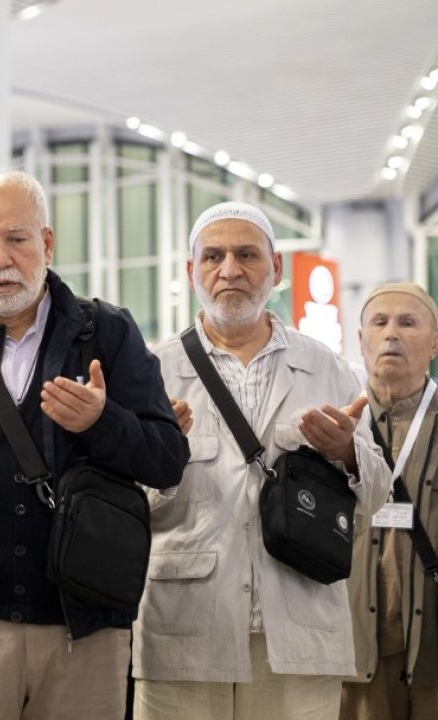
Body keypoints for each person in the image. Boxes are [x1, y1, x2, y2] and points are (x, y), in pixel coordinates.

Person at [0, 170, 188, 720]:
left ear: (47, 243)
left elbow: (167, 460)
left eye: (17, 238)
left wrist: (102, 421)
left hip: (85, 628)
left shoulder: (106, 334)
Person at [134, 201, 391, 720]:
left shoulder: (325, 368)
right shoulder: (151, 371)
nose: (230, 269)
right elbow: (123, 501)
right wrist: (158, 458)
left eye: (247, 254)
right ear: (191, 272)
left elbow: (380, 493)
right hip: (183, 633)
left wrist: (346, 453)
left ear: (275, 269)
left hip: (298, 631)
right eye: (213, 256)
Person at [341, 283, 438, 720]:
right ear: (360, 341)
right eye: (379, 323)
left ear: (434, 342)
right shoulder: (337, 426)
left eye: (408, 322)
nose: (391, 334)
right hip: (357, 651)